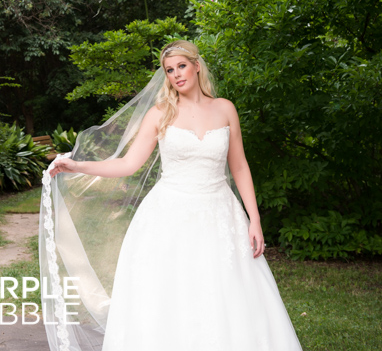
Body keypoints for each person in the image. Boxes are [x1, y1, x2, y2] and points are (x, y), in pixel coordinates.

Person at [41, 40, 303, 351]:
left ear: (196, 66)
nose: (176, 74)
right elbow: (128, 163)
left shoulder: (225, 109)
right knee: (172, 292)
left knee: (225, 291)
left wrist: (254, 219)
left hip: (221, 214)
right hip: (169, 215)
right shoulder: (160, 113)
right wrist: (77, 165)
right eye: (169, 70)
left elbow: (240, 166)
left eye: (181, 66)